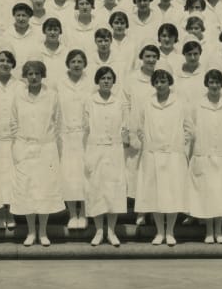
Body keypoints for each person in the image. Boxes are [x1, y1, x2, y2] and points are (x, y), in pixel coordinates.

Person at [184, 69, 222, 244]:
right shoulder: (196, 106)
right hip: (204, 155)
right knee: (207, 195)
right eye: (211, 82)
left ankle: (219, 231)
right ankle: (209, 231)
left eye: (217, 82)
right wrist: (188, 154)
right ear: (206, 84)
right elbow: (189, 131)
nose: (214, 86)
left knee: (221, 194)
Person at [133, 69, 189, 246]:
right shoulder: (147, 103)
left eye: (163, 81)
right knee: (154, 194)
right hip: (152, 155)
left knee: (172, 194)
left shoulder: (180, 102)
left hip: (173, 155)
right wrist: (149, 143)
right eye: (156, 82)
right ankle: (159, 232)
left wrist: (179, 145)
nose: (160, 85)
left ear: (169, 82)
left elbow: (188, 128)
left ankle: (170, 231)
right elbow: (139, 128)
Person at [10, 60, 63, 246]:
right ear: (25, 76)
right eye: (30, 74)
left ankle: (43, 232)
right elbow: (13, 122)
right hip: (24, 148)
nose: (33, 77)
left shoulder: (52, 96)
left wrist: (49, 143)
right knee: (27, 191)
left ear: (43, 75)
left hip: (46, 149)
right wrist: (20, 144)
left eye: (37, 74)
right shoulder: (18, 96)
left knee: (44, 191)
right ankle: (31, 232)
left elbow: (58, 122)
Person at [83, 66, 130, 246]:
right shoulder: (89, 101)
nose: (106, 81)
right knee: (96, 189)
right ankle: (98, 231)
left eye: (109, 78)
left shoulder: (119, 102)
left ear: (113, 81)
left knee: (113, 191)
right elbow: (85, 127)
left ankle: (111, 231)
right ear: (97, 81)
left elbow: (125, 126)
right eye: (103, 78)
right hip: (95, 149)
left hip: (114, 150)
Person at [57, 49, 92, 230]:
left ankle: (84, 214)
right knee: (69, 176)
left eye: (79, 61)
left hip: (86, 136)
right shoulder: (60, 84)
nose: (76, 65)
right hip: (66, 135)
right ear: (67, 64)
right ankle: (72, 214)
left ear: (85, 64)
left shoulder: (91, 83)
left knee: (84, 175)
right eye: (73, 62)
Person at [0, 51, 20, 230]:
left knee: (13, 178)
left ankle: (12, 213)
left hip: (15, 138)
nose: (5, 63)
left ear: (13, 64)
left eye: (8, 61)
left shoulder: (19, 85)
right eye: (1, 60)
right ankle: (1, 214)